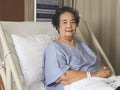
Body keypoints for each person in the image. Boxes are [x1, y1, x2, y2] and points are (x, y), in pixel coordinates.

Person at [43, 6, 120, 90]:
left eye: (72, 22)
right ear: (58, 26)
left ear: (76, 25)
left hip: (100, 80)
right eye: (64, 22)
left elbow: (94, 61)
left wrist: (104, 69)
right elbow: (62, 77)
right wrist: (94, 75)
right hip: (78, 84)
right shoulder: (54, 48)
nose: (69, 25)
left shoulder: (81, 44)